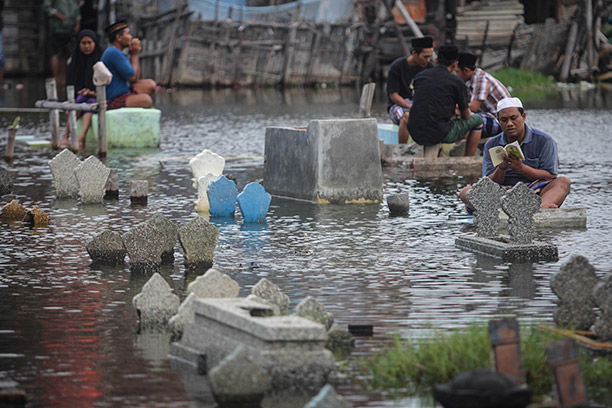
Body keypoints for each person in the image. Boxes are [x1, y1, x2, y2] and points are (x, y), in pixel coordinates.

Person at [459, 97, 571, 209]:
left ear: (523, 117)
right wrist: (501, 169)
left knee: (563, 182)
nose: (509, 124)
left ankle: (543, 207)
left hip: (534, 189)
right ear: (498, 121)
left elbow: (550, 175)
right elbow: (488, 181)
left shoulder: (545, 140)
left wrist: (521, 168)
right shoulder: (492, 144)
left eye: (513, 118)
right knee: (465, 191)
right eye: (504, 120)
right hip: (502, 192)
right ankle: (500, 207)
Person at [407, 45, 483, 156]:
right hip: (438, 133)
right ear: (455, 64)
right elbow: (466, 116)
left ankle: (441, 153)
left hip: (414, 130)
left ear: (437, 60)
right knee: (478, 120)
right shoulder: (457, 82)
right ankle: (469, 158)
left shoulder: (420, 77)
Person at [386, 36, 434, 144]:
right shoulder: (397, 67)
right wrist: (410, 107)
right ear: (414, 53)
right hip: (399, 106)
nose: (428, 60)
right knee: (406, 117)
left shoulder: (430, 68)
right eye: (425, 57)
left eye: (430, 57)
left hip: (420, 105)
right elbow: (393, 95)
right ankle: (402, 149)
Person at [100, 20, 155, 110]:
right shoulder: (113, 52)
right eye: (128, 34)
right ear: (118, 37)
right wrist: (135, 54)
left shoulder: (116, 52)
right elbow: (133, 77)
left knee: (150, 85)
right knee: (146, 100)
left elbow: (134, 77)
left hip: (124, 91)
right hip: (114, 98)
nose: (131, 37)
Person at [63, 29, 103, 149]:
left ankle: (82, 137)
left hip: (97, 95)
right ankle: (66, 135)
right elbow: (71, 81)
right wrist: (81, 91)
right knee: (79, 101)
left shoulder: (101, 59)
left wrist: (92, 91)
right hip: (81, 95)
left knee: (89, 104)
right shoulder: (75, 60)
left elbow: (104, 80)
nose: (86, 46)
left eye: (89, 43)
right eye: (83, 43)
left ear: (95, 43)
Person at [456, 52, 511, 139]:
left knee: (469, 121)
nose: (456, 75)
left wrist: (455, 109)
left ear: (466, 70)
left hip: (501, 121)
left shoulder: (482, 80)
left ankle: (469, 152)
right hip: (486, 114)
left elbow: (473, 107)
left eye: (457, 72)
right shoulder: (469, 80)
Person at [44, 0, 81, 92]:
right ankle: (56, 77)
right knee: (56, 53)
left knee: (66, 55)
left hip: (69, 28)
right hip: (57, 28)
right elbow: (46, 7)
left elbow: (77, 8)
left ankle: (64, 78)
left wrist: (77, 23)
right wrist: (58, 15)